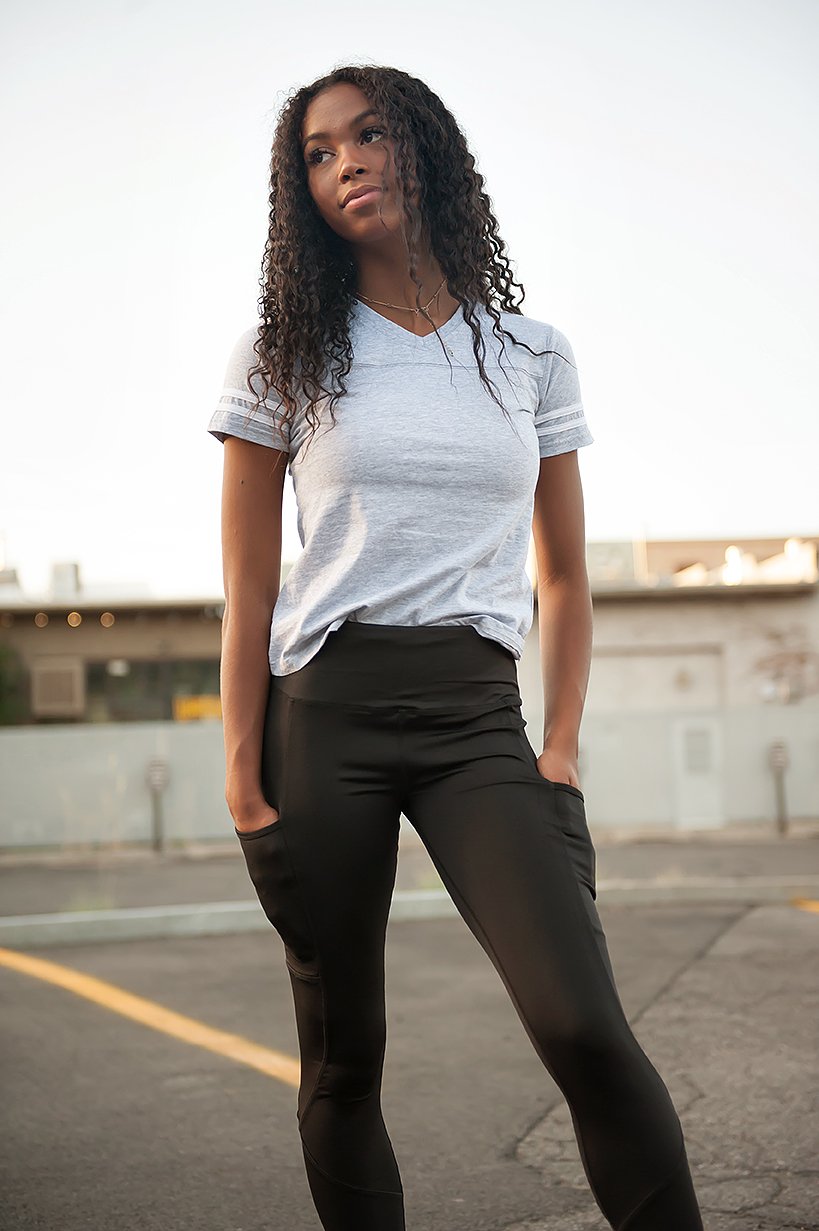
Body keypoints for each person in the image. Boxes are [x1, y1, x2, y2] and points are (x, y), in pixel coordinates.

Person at [207, 63, 705, 1231]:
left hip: (480, 718)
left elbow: (568, 574)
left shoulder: (530, 352)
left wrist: (563, 747)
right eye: (318, 155)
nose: (346, 166)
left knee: (583, 1023)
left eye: (367, 135)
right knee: (344, 1057)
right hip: (321, 716)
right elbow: (245, 585)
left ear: (425, 146)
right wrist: (241, 775)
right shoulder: (281, 352)